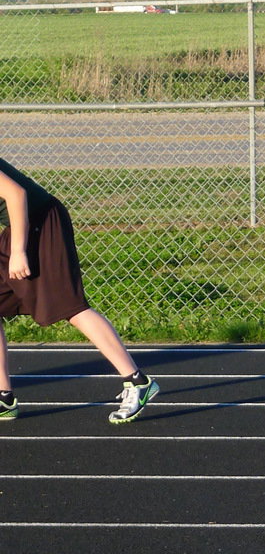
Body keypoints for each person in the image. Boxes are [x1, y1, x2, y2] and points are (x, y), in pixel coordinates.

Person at [0, 158, 158, 423]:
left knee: (71, 307)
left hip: (42, 223)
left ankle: (137, 381)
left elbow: (16, 194)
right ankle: (4, 398)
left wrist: (18, 251)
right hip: (19, 226)